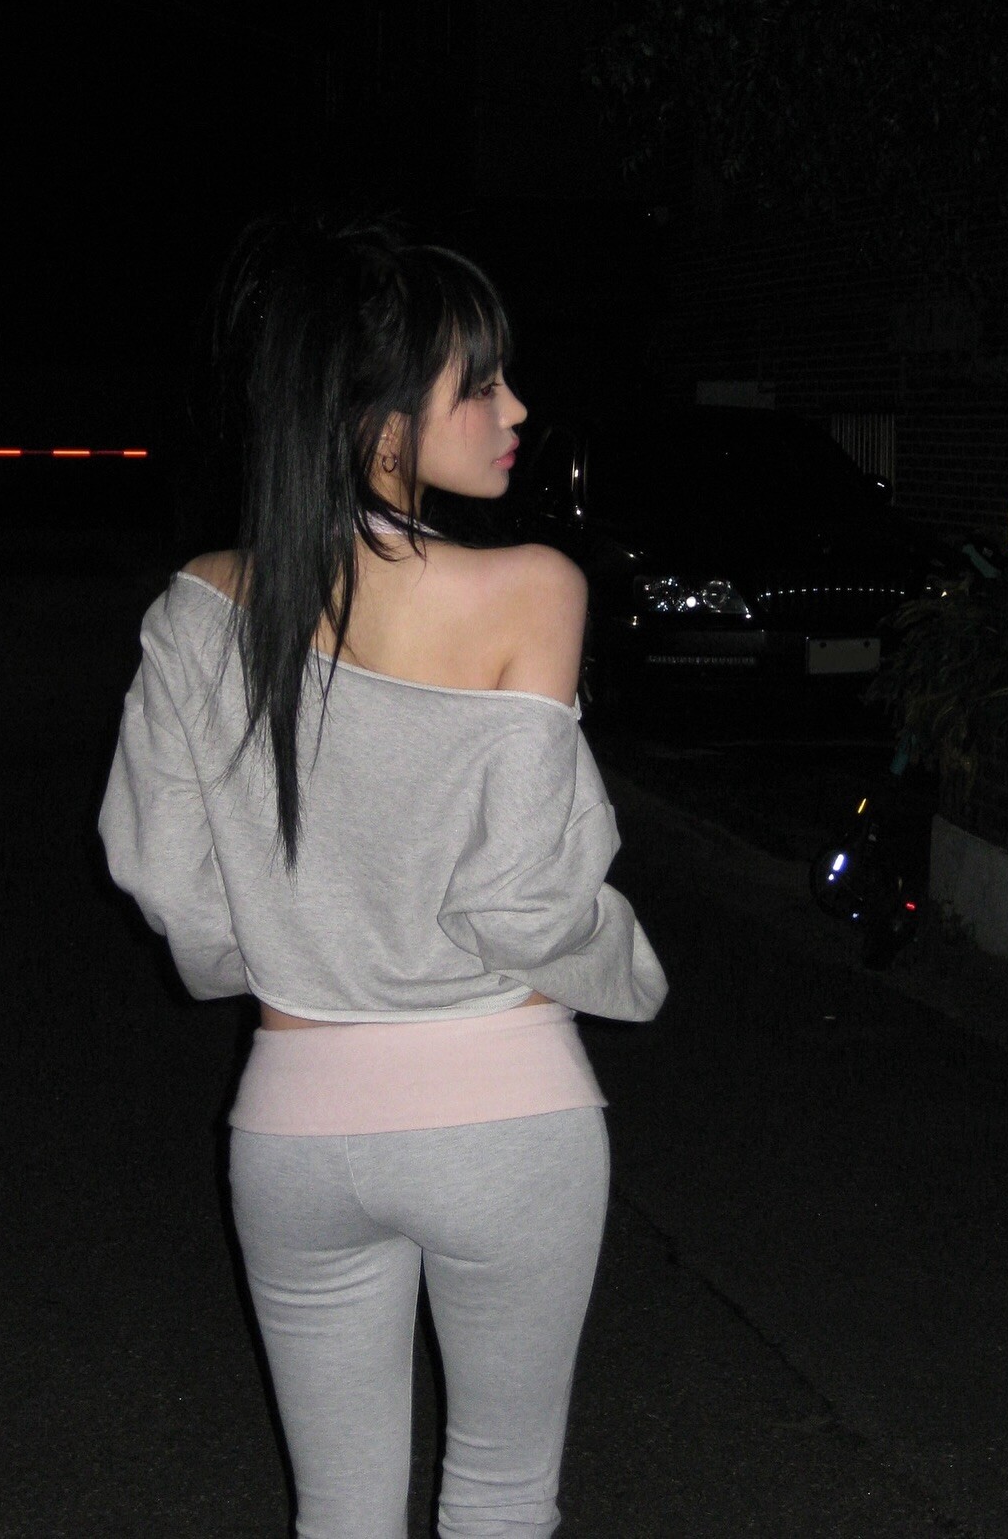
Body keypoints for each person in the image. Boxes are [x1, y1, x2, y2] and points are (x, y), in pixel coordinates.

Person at [98, 212, 666, 1539]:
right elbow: (524, 904)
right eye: (481, 382)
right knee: (502, 1500)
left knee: (340, 1513)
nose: (516, 409)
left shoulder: (196, 607)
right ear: (381, 419)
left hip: (294, 1124)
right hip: (502, 1114)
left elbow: (169, 885)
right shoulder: (534, 588)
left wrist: (283, 959)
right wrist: (631, 971)